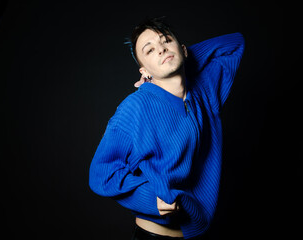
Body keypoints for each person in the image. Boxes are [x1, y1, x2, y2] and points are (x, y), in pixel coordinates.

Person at [89, 17, 245, 239]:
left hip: (197, 231)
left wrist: (181, 57)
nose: (161, 50)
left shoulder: (204, 92)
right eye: (150, 50)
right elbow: (101, 174)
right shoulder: (137, 106)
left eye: (166, 41)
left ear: (183, 49)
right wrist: (151, 198)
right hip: (153, 235)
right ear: (143, 70)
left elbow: (234, 44)